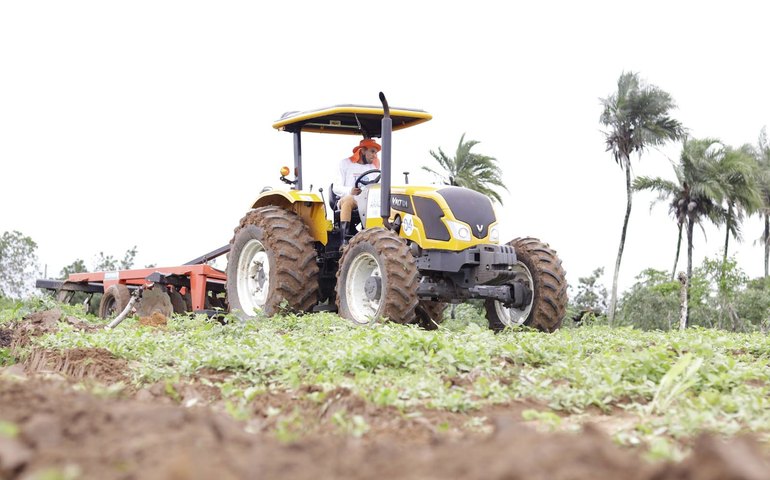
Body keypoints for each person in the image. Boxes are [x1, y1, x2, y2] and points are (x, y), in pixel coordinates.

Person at [333, 138, 381, 247]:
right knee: (349, 200)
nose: (375, 155)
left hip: (367, 199)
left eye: (376, 153)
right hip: (349, 199)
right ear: (363, 151)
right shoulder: (345, 164)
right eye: (372, 151)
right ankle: (344, 239)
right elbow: (336, 187)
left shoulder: (372, 167)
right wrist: (350, 190)